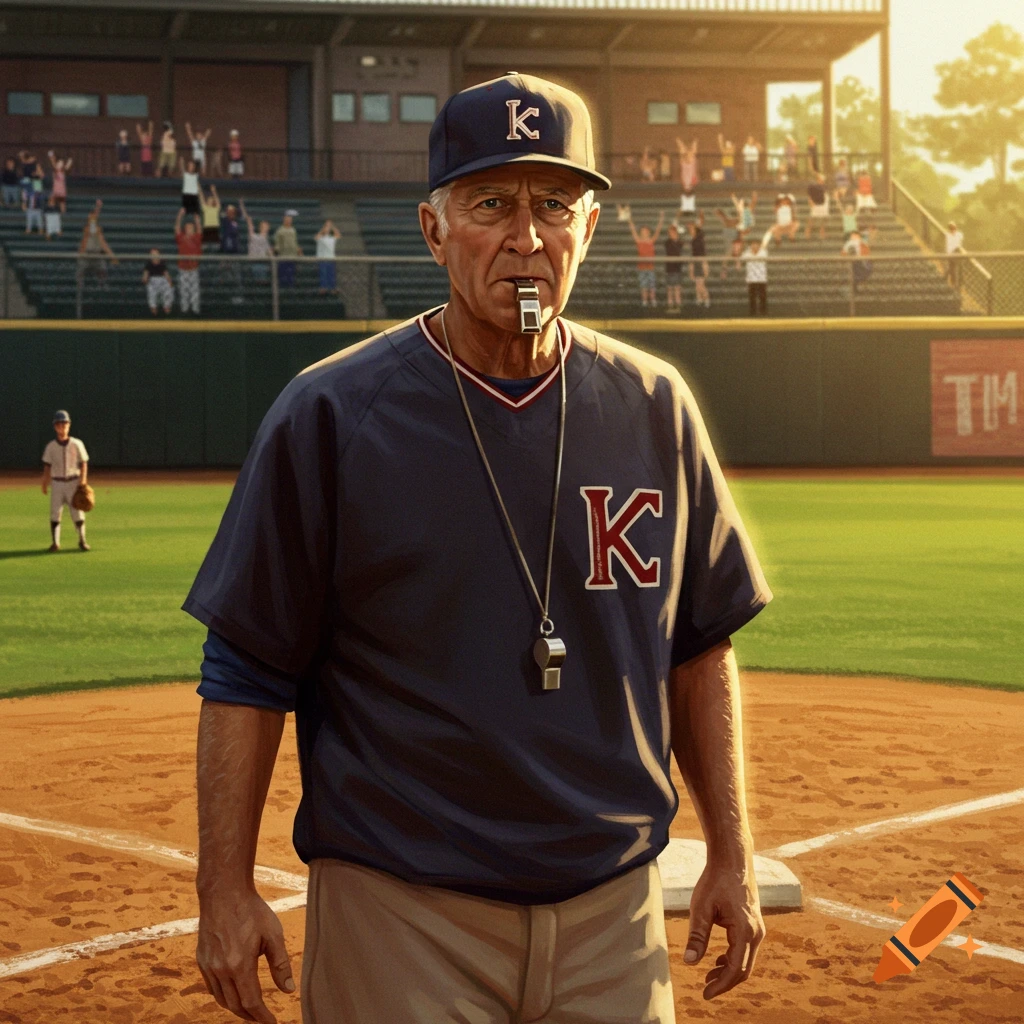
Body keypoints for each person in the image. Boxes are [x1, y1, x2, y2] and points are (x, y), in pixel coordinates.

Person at [187, 72, 770, 1024]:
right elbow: (246, 666)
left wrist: (733, 853)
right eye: (491, 203)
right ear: (432, 229)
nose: (527, 236)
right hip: (401, 915)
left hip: (614, 913)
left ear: (591, 227)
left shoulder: (654, 406)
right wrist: (223, 887)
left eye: (556, 204)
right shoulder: (332, 413)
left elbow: (701, 646)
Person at [41, 410, 90, 552]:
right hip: (57, 483)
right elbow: (47, 466)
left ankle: (82, 540)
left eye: (64, 424)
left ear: (69, 425)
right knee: (55, 512)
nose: (62, 427)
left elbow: (84, 462)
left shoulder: (77, 443)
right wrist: (45, 482)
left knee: (77, 512)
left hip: (74, 482)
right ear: (55, 427)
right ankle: (55, 543)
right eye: (59, 424)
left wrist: (83, 480)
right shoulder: (51, 446)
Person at [628, 210, 664, 307]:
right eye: (643, 231)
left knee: (652, 286)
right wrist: (629, 219)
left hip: (650, 268)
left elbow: (658, 231)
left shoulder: (651, 241)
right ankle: (644, 301)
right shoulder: (639, 241)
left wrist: (661, 219)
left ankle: (652, 300)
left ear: (648, 232)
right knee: (643, 286)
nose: (644, 232)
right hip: (642, 268)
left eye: (646, 231)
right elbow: (633, 231)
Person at [77, 200, 115, 287]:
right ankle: (79, 287)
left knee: (103, 269)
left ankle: (102, 286)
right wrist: (80, 254)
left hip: (97, 255)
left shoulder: (97, 229)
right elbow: (84, 241)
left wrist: (112, 256)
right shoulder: (86, 229)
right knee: (80, 270)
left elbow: (103, 243)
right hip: (86, 255)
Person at [175, 208, 203, 315]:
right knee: (184, 290)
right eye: (187, 227)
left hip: (193, 267)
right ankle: (184, 309)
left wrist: (197, 220)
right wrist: (180, 215)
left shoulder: (197, 237)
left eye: (191, 227)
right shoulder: (181, 237)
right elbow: (177, 228)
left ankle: (195, 309)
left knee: (194, 290)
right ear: (185, 229)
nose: (189, 229)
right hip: (183, 268)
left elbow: (200, 229)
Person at [240, 199, 272, 282]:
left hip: (263, 263)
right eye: (264, 226)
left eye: (267, 226)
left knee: (262, 281)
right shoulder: (253, 236)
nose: (266, 227)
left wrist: (272, 261)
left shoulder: (266, 240)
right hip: (254, 263)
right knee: (255, 281)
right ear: (260, 227)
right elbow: (249, 222)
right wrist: (242, 205)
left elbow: (269, 252)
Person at [742, 232, 773, 317]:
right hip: (751, 279)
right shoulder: (747, 253)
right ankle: (752, 313)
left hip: (761, 279)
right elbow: (742, 259)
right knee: (752, 297)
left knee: (762, 297)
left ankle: (763, 312)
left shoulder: (763, 252)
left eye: (756, 244)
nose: (754, 246)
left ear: (759, 245)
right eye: (753, 244)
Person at [687, 209, 711, 308]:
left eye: (692, 228)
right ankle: (699, 299)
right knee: (697, 284)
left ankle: (706, 299)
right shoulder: (692, 239)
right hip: (695, 260)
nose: (690, 230)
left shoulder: (699, 235)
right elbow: (693, 253)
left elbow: (701, 222)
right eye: (689, 229)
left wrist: (701, 213)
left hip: (701, 261)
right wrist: (691, 265)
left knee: (701, 283)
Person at [273, 210, 302, 288]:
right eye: (287, 220)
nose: (289, 221)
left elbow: (295, 242)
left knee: (291, 274)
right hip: (283, 256)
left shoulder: (293, 230)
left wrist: (298, 250)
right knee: (283, 274)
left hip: (292, 256)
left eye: (290, 220)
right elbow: (277, 243)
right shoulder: (280, 231)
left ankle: (291, 288)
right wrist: (277, 251)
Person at [143, 247, 174, 315]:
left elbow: (166, 274)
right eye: (152, 254)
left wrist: (170, 282)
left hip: (162, 280)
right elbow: (145, 275)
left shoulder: (162, 263)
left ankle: (167, 308)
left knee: (168, 291)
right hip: (152, 281)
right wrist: (145, 280)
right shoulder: (148, 264)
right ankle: (153, 310)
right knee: (151, 293)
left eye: (156, 254)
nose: (154, 256)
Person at [315, 219, 341, 295]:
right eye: (326, 227)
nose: (327, 228)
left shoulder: (331, 238)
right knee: (323, 273)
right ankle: (323, 288)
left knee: (331, 273)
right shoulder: (321, 238)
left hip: (331, 258)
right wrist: (323, 230)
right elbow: (316, 237)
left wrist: (332, 226)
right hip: (322, 258)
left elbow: (338, 235)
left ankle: (332, 288)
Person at [663, 220, 684, 313]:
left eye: (673, 232)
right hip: (669, 269)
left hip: (677, 269)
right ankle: (670, 305)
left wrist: (676, 229)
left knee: (677, 288)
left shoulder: (680, 242)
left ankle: (678, 305)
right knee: (669, 288)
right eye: (670, 233)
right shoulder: (667, 242)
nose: (672, 234)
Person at [805, 173, 829, 241]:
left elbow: (825, 193)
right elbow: (809, 194)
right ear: (818, 179)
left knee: (824, 218)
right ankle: (807, 232)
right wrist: (810, 200)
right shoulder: (813, 185)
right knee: (813, 218)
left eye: (823, 180)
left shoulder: (824, 186)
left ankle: (822, 232)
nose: (822, 181)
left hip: (824, 203)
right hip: (816, 204)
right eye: (821, 179)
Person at [199, 184, 221, 250]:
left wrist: (214, 191)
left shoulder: (216, 208)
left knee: (216, 245)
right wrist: (199, 189)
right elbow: (201, 198)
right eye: (209, 199)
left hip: (215, 226)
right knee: (204, 245)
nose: (210, 200)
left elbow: (217, 200)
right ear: (207, 201)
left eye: (211, 199)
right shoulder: (205, 208)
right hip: (207, 227)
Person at [945, 221, 964, 289]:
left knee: (955, 268)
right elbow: (948, 246)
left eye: (953, 228)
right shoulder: (948, 235)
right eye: (951, 228)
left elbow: (960, 244)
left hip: (957, 252)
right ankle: (952, 282)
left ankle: (956, 282)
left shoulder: (959, 234)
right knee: (952, 268)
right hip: (951, 253)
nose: (952, 230)